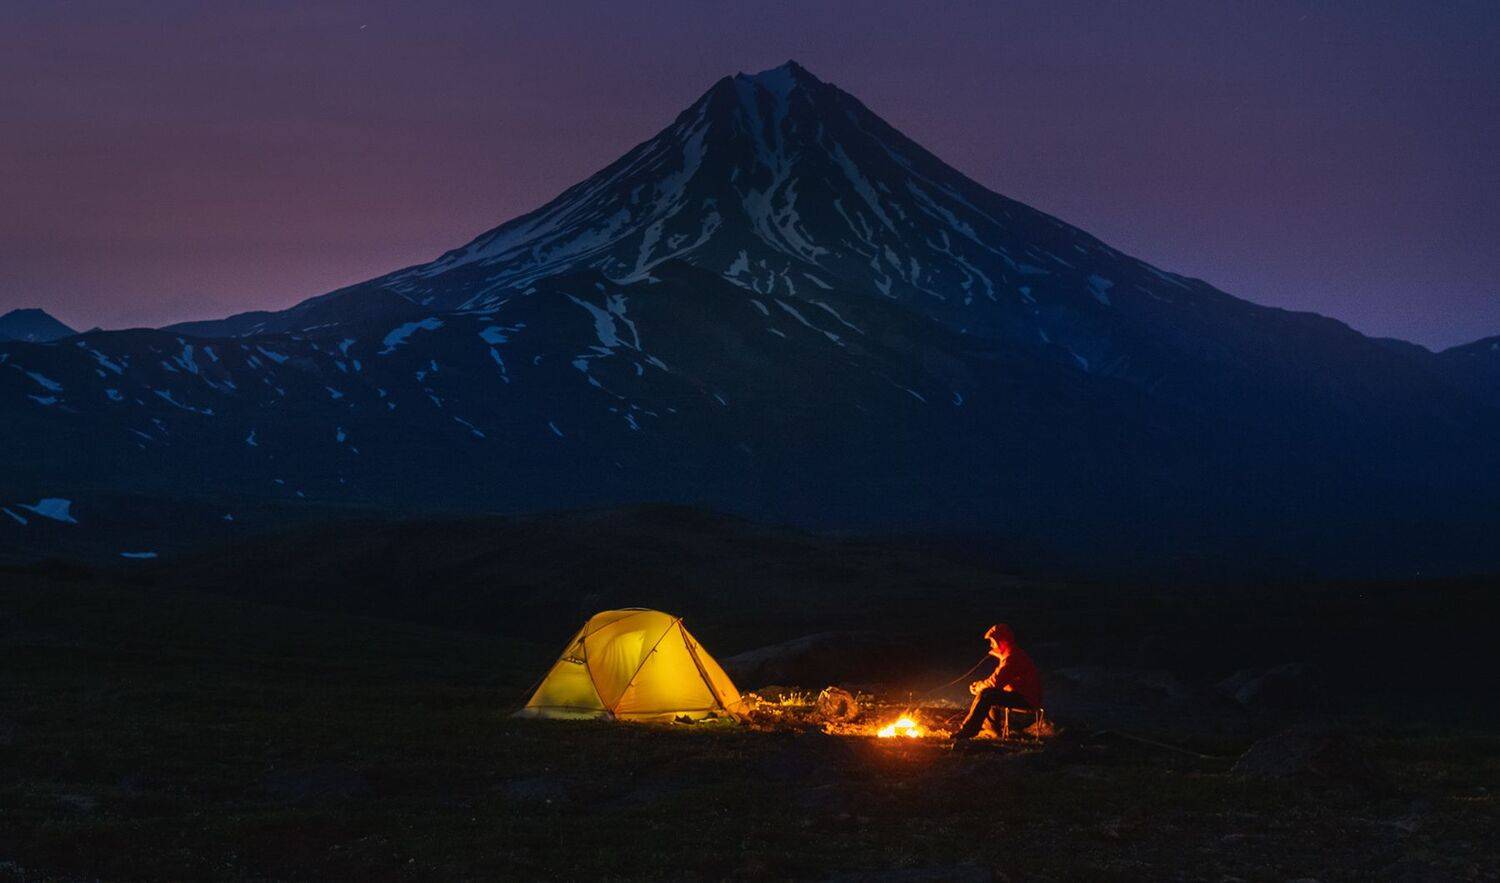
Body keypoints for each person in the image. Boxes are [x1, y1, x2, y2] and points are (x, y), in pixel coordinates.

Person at [952, 623, 1042, 740]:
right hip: (1022, 695)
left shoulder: (1012, 657)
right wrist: (981, 686)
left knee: (987, 694)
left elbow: (995, 682)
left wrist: (979, 687)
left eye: (992, 641)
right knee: (989, 693)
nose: (991, 645)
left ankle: (967, 731)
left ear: (1001, 641)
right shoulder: (1011, 654)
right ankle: (992, 732)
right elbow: (997, 681)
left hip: (1026, 699)